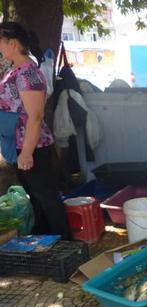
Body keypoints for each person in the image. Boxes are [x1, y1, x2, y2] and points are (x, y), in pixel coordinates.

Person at [0, 22, 70, 239]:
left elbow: (36, 116)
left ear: (12, 43)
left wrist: (27, 152)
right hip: (20, 146)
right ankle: (44, 242)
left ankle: (65, 244)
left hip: (33, 147)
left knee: (47, 199)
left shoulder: (28, 74)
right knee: (36, 198)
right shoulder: (15, 70)